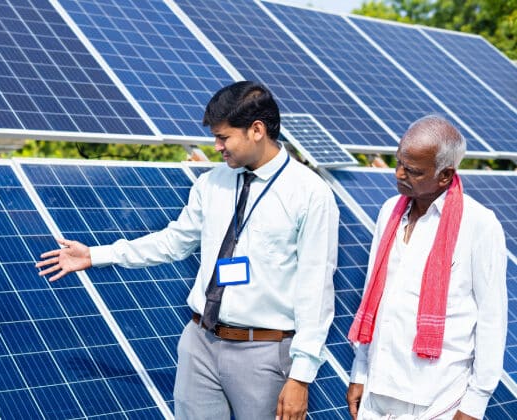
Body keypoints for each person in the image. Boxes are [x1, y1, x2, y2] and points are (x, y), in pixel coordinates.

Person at [36, 81, 339, 419]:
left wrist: (301, 375)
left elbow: (317, 287)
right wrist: (98, 255)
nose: (216, 147)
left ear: (257, 130)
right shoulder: (212, 183)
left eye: (223, 137)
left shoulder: (310, 194)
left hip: (264, 352)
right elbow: (173, 241)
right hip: (200, 342)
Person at [346, 115, 507, 420]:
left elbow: (491, 318)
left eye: (414, 170)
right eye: (399, 163)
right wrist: (360, 372)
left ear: (445, 175)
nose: (399, 173)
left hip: (437, 397)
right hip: (378, 392)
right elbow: (375, 297)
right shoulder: (388, 213)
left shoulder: (479, 225)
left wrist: (474, 405)